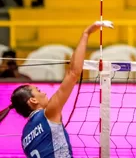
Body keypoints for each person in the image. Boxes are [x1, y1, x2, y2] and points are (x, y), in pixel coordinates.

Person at [0, 21, 113, 157]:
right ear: (33, 100)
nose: (44, 92)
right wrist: (86, 33)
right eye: (38, 90)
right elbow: (73, 73)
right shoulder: (48, 113)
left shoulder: (24, 136)